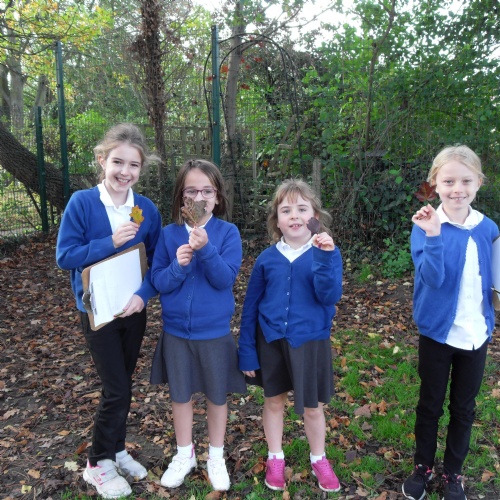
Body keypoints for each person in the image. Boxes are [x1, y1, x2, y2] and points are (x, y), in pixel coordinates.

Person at [56, 123, 162, 499]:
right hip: (97, 312)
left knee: (123, 384)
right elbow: (65, 256)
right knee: (116, 388)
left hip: (132, 311)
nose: (124, 171)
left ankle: (116, 450)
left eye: (133, 165)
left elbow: (157, 262)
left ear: (141, 168)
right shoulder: (83, 203)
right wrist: (108, 242)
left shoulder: (144, 209)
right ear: (102, 160)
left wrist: (144, 295)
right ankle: (97, 462)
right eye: (118, 161)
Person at [402, 145, 499, 500]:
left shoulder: (488, 228)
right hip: (437, 333)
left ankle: (453, 473)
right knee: (430, 404)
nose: (457, 189)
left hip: (475, 335)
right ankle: (423, 467)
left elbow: (494, 278)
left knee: (464, 408)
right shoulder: (425, 225)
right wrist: (434, 234)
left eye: (466, 181)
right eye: (448, 181)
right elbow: (433, 279)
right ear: (435, 184)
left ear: (479, 183)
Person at [238, 179, 343, 493]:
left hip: (310, 343)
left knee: (313, 406)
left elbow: (329, 296)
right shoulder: (266, 259)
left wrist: (325, 258)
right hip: (271, 342)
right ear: (277, 220)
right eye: (286, 210)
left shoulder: (327, 253)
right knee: (273, 402)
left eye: (302, 209)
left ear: (314, 217)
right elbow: (250, 307)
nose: (294, 215)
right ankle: (275, 457)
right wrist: (247, 351)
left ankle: (319, 458)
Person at [150, 159, 246, 492]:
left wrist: (205, 251)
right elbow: (159, 281)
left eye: (207, 191)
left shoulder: (228, 233)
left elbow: (225, 279)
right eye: (191, 191)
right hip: (176, 333)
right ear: (182, 197)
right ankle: (184, 453)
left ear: (217, 197)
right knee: (181, 395)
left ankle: (215, 456)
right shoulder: (168, 234)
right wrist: (177, 267)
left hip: (214, 333)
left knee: (217, 396)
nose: (199, 197)